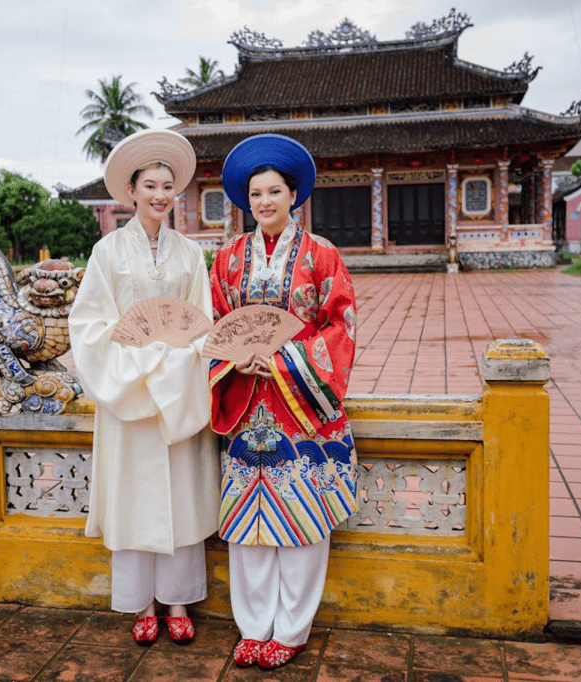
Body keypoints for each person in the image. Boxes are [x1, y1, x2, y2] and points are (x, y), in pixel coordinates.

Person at [209, 134, 358, 670]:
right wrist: (232, 361)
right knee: (247, 526)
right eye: (256, 193)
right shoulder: (226, 261)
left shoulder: (324, 256)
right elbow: (215, 330)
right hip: (248, 409)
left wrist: (284, 360)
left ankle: (291, 630)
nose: (265, 202)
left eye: (275, 191)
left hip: (304, 412)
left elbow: (341, 328)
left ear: (293, 195)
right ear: (246, 201)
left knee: (301, 521)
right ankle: (252, 628)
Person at [68, 129, 219, 646]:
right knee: (137, 500)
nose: (160, 195)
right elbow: (89, 328)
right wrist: (143, 363)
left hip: (178, 392)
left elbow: (203, 324)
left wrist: (175, 360)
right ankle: (143, 604)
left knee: (179, 496)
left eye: (168, 186)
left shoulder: (190, 255)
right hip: (129, 394)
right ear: (131, 192)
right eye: (150, 185)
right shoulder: (107, 254)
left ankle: (178, 600)